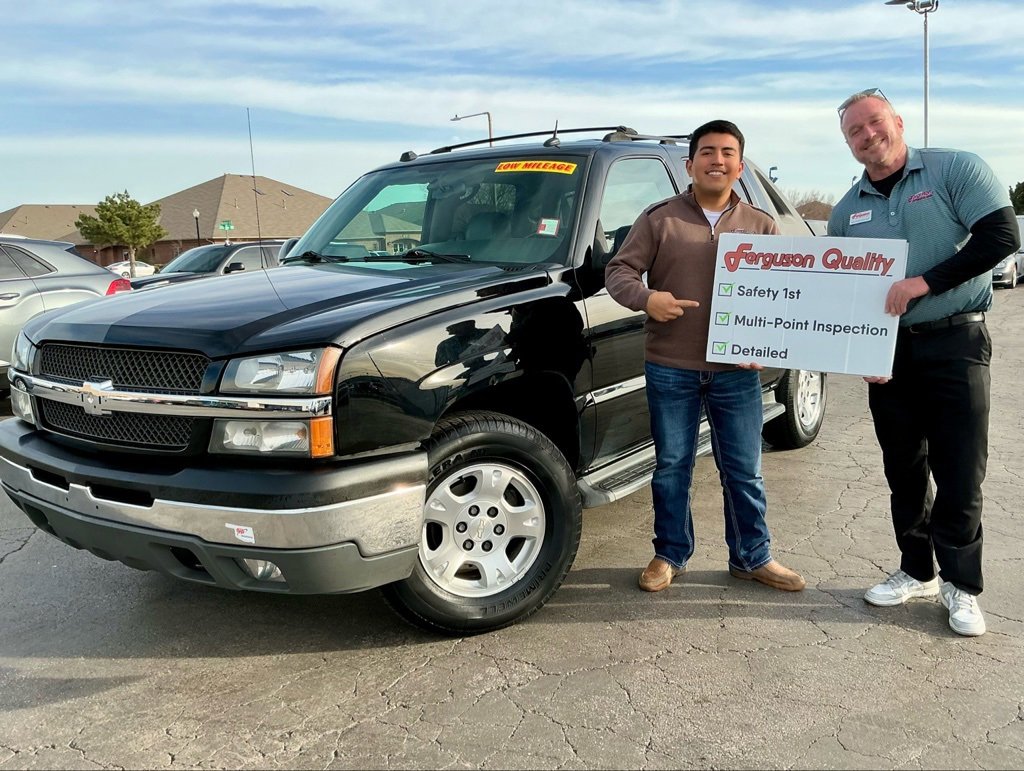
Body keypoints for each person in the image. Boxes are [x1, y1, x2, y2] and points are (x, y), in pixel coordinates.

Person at [828, 89, 1021, 636]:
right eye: (855, 132)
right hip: (889, 353)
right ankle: (917, 570)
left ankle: (962, 585)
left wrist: (924, 283)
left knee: (960, 468)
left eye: (873, 123)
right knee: (903, 467)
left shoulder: (955, 169)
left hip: (956, 342)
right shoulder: (846, 210)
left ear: (897, 121)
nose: (868, 136)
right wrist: (859, 346)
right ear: (848, 145)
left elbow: (1001, 236)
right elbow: (846, 291)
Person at [605, 119, 806, 594]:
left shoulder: (762, 225)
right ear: (690, 163)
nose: (718, 160)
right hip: (671, 368)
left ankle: (752, 557)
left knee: (744, 468)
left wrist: (765, 343)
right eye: (708, 152)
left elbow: (783, 296)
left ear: (739, 165)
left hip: (736, 374)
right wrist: (646, 298)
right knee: (672, 465)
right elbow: (619, 270)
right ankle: (669, 553)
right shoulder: (659, 219)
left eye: (728, 153)